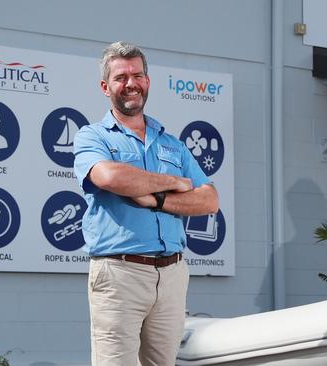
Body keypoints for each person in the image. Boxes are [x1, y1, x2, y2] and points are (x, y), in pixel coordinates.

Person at [73, 41, 218, 366]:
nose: (130, 84)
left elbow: (209, 199)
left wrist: (155, 198)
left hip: (171, 275)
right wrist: (176, 183)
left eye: (137, 75)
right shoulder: (93, 137)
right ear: (105, 86)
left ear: (147, 81)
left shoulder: (172, 144)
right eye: (121, 77)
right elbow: (110, 177)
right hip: (119, 272)